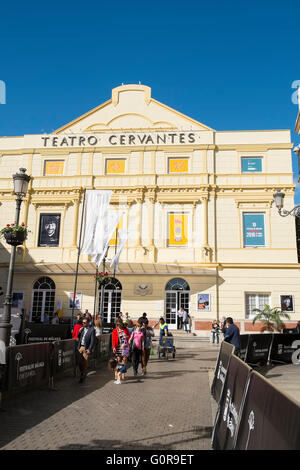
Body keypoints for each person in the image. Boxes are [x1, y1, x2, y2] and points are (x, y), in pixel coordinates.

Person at [77, 316, 96, 383]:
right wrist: (79, 332)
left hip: (86, 347)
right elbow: (79, 337)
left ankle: (83, 376)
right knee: (79, 362)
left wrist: (89, 349)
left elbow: (92, 341)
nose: (83, 324)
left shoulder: (92, 330)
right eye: (82, 322)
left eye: (84, 323)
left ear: (88, 323)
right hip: (80, 347)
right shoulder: (82, 329)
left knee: (84, 363)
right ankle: (82, 373)